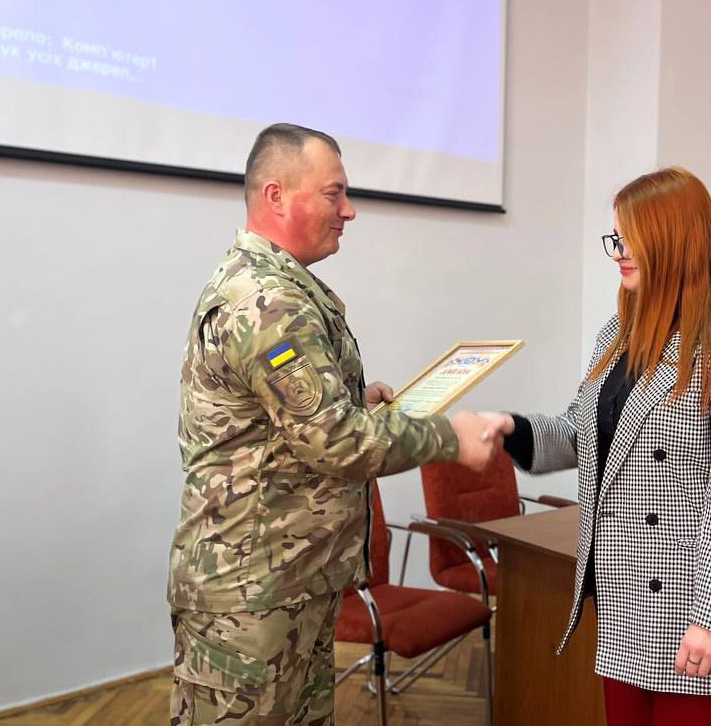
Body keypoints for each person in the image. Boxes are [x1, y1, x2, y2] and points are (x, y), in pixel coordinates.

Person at [167, 123, 497, 725]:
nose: (349, 210)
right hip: (252, 594)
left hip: (291, 579)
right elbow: (335, 441)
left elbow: (290, 421)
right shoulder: (267, 300)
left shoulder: (281, 285)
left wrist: (352, 399)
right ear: (276, 195)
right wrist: (453, 439)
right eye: (333, 193)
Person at [479, 167, 711, 726]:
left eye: (631, 238)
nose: (618, 252)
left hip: (692, 609)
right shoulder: (619, 332)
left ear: (673, 239)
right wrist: (510, 428)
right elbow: (584, 435)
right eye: (615, 238)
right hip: (624, 600)